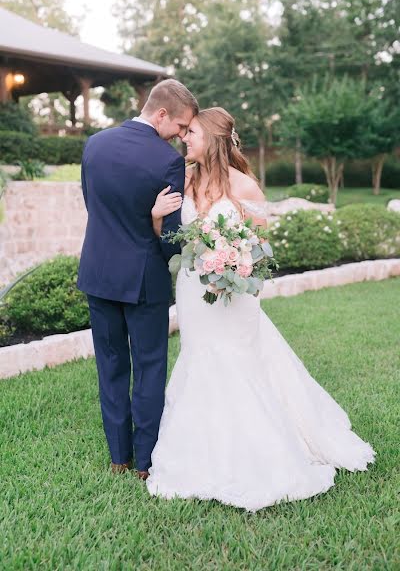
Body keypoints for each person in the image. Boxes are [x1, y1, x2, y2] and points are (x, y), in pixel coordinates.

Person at [146, 107, 375, 512]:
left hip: (233, 296)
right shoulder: (184, 177)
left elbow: (261, 249)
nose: (185, 138)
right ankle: (203, 445)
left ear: (214, 138)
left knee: (236, 361)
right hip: (191, 289)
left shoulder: (245, 187)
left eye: (192, 132)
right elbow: (170, 240)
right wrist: (154, 217)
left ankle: (259, 451)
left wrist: (235, 262)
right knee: (199, 359)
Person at [77, 79, 198, 478]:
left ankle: (119, 457)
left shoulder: (94, 145)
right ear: (161, 114)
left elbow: (92, 206)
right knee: (149, 367)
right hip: (143, 280)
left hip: (97, 272)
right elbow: (171, 237)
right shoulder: (167, 161)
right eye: (180, 127)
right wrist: (156, 227)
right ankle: (146, 461)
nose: (181, 137)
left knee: (110, 366)